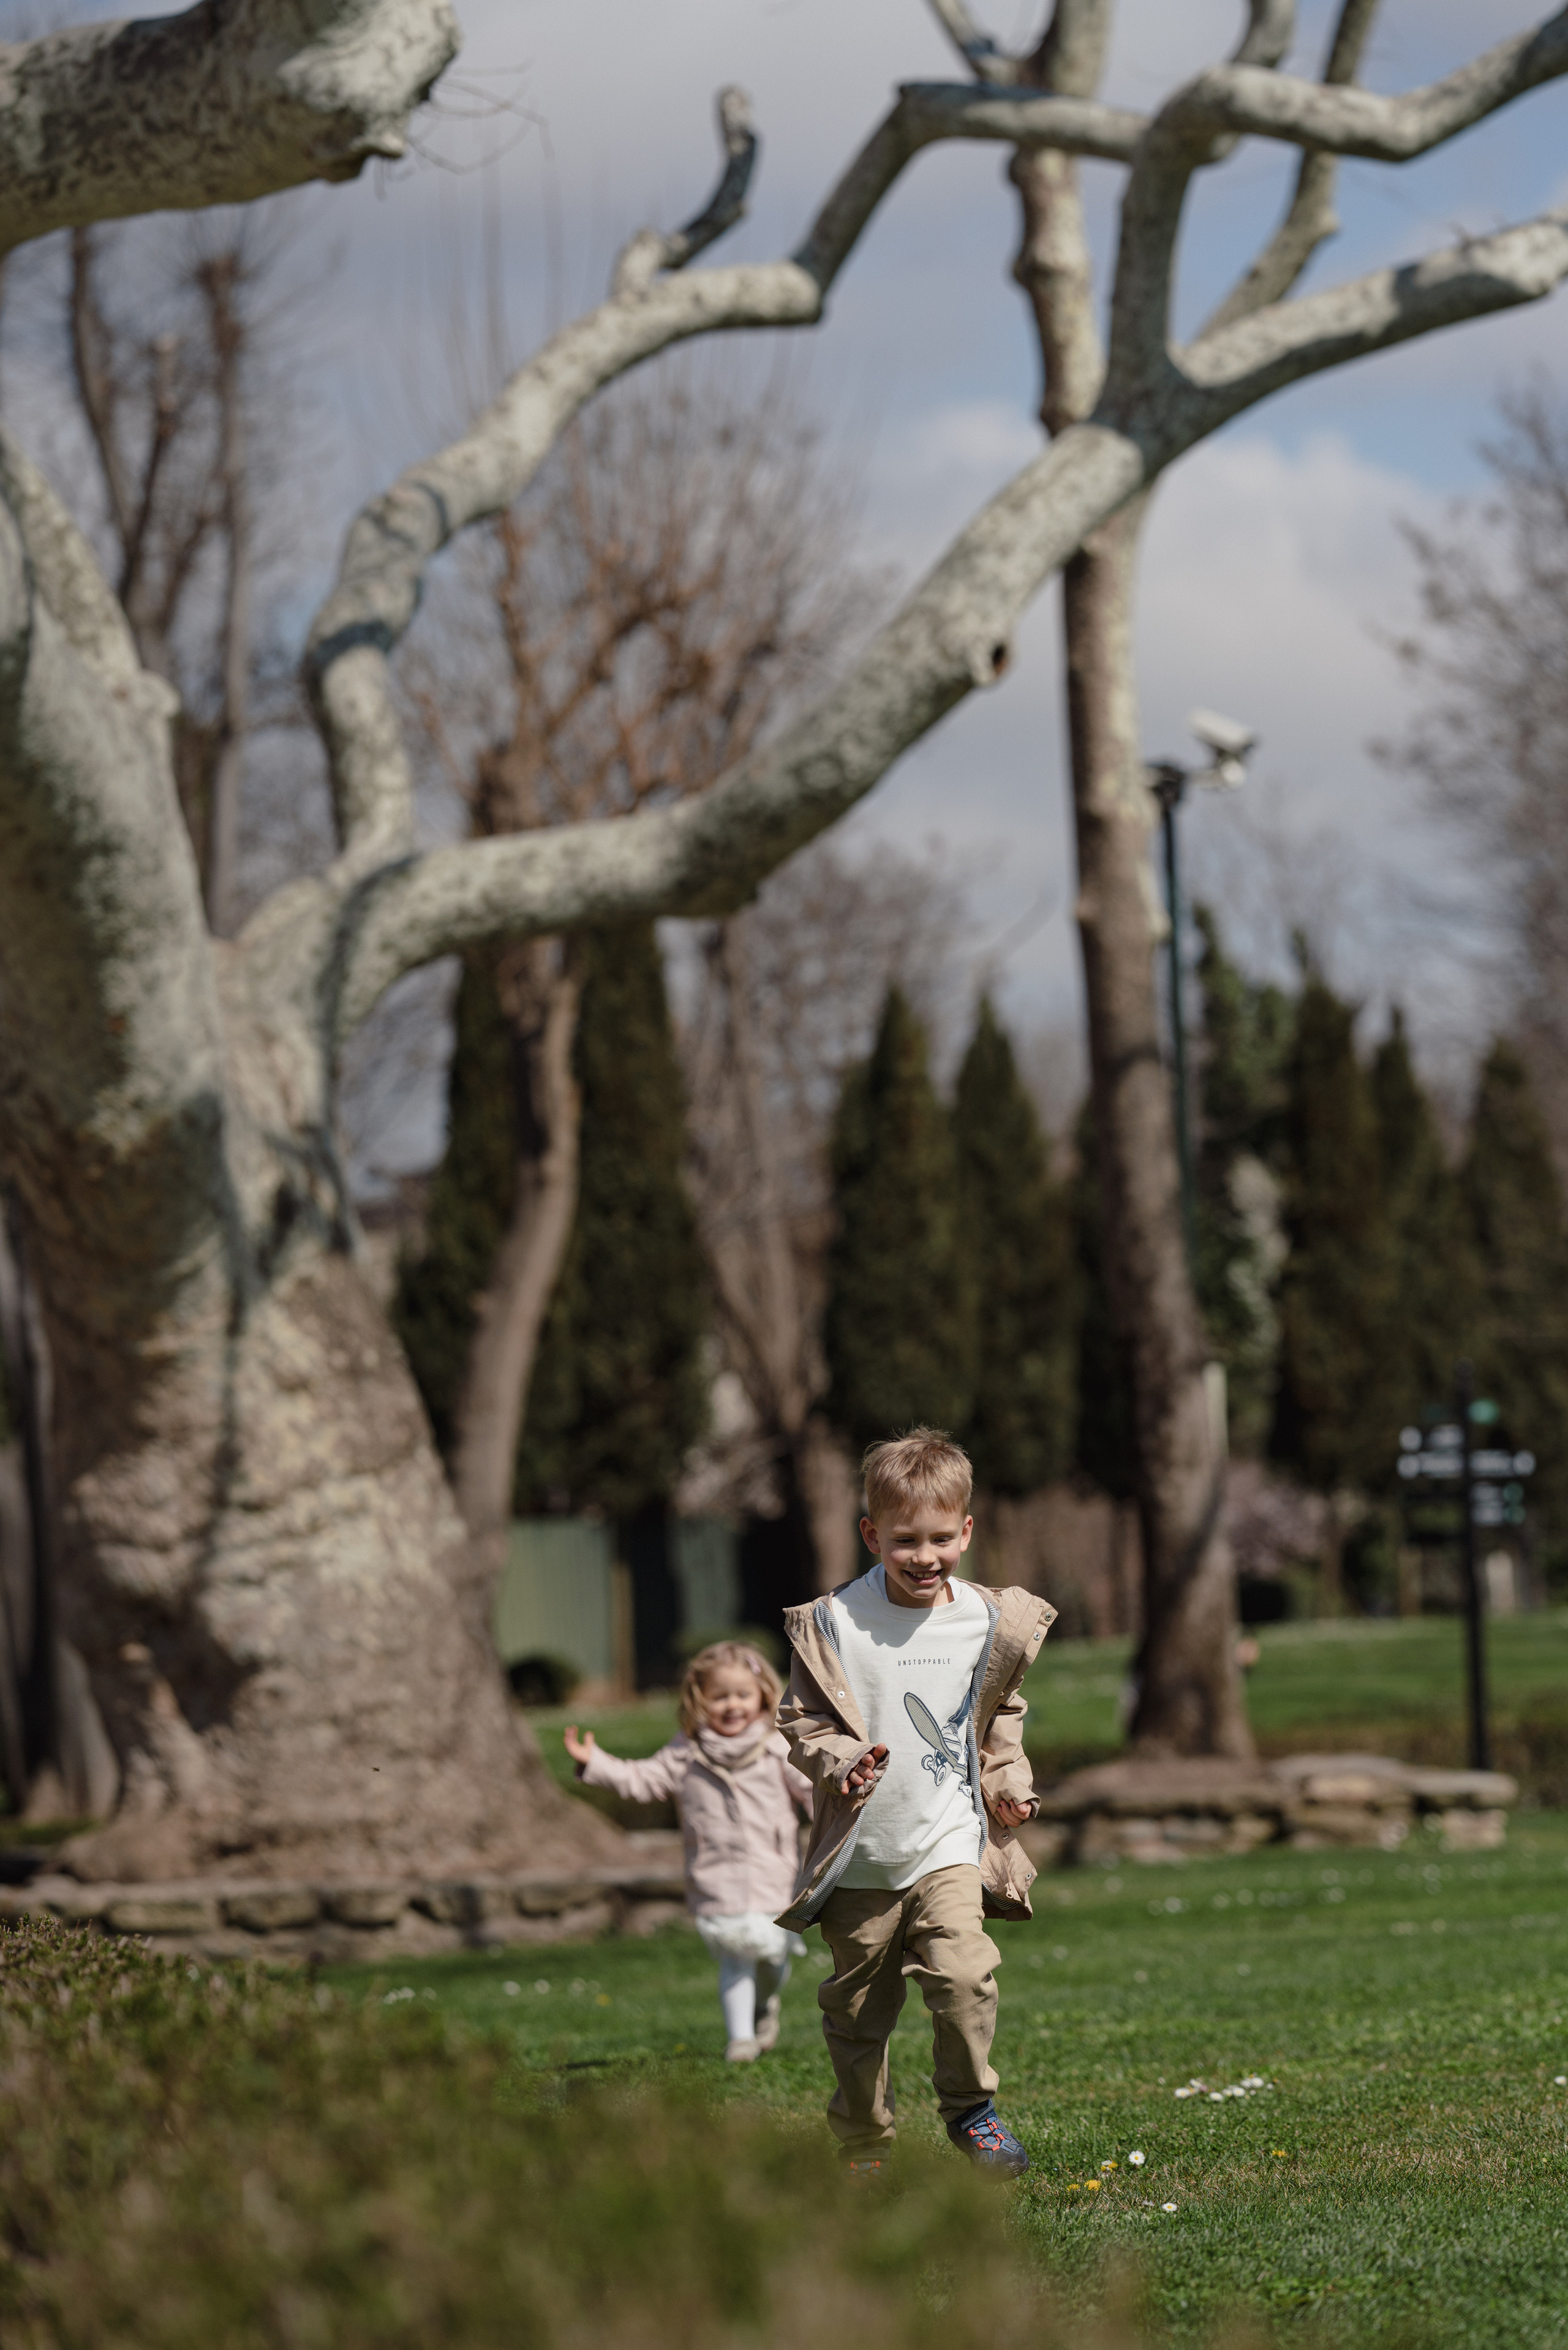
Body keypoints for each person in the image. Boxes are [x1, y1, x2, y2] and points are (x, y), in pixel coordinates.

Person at [777, 1427, 1055, 2179]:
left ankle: (972, 2113)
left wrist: (1006, 1785)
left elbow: (998, 1717)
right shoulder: (832, 1623)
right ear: (872, 1535)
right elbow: (800, 1721)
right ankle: (865, 2144)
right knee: (859, 2019)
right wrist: (839, 1764)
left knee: (965, 1975)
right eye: (904, 1541)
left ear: (966, 1531)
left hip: (947, 1845)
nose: (923, 1557)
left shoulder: (987, 1621)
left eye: (940, 1538)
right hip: (860, 1860)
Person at [564, 1641, 812, 2062]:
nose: (732, 1705)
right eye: (720, 1696)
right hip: (716, 1875)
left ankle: (763, 2005)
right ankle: (740, 2039)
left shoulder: (778, 1749)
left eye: (742, 1695)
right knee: (735, 1954)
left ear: (763, 1696)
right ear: (699, 1699)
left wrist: (841, 1804)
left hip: (776, 1873)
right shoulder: (686, 1752)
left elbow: (813, 1792)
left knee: (773, 1959)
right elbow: (643, 1779)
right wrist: (597, 1763)